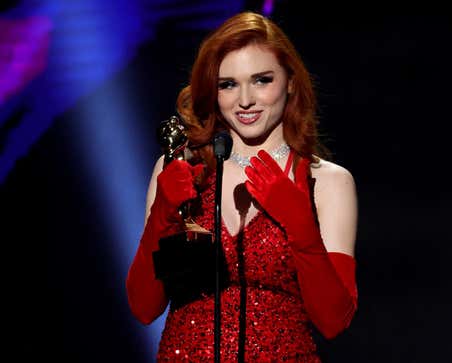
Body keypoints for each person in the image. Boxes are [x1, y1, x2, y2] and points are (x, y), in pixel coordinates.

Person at [125, 11, 358, 362]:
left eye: (262, 80)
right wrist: (163, 216)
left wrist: (300, 225)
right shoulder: (181, 170)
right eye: (228, 84)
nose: (245, 99)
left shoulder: (327, 182)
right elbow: (144, 307)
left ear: (291, 81)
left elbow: (333, 320)